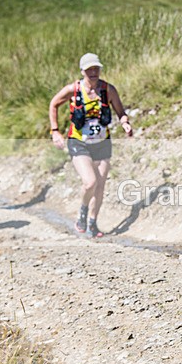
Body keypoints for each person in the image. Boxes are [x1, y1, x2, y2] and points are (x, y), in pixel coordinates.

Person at [49, 53, 133, 238]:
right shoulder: (74, 89)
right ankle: (82, 212)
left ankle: (93, 223)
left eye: (96, 68)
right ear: (82, 71)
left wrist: (125, 123)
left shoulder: (108, 89)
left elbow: (121, 112)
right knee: (90, 182)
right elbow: (54, 103)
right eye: (89, 70)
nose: (93, 72)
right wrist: (55, 130)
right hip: (79, 142)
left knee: (100, 186)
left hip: (102, 143)